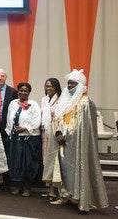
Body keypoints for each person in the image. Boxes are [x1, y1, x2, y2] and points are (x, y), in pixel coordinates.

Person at [42, 69, 108, 212]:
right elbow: (57, 118)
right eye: (68, 83)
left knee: (77, 170)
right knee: (63, 170)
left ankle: (80, 199)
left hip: (77, 143)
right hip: (61, 141)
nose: (70, 86)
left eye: (73, 84)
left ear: (80, 85)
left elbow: (84, 127)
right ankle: (64, 195)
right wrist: (58, 132)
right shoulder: (63, 101)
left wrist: (68, 135)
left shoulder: (86, 103)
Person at [6, 83, 42, 197]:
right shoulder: (13, 103)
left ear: (29, 92)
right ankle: (18, 186)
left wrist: (25, 128)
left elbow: (37, 121)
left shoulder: (33, 104)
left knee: (28, 163)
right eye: (21, 90)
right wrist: (10, 131)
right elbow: (8, 118)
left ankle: (27, 187)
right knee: (16, 162)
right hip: (15, 138)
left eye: (25, 91)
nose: (23, 93)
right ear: (18, 91)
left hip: (29, 138)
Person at [40, 78, 61, 164]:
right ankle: (46, 174)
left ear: (56, 87)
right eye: (46, 86)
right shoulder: (44, 99)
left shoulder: (61, 99)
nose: (48, 88)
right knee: (45, 153)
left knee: (54, 153)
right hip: (44, 131)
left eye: (50, 86)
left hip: (55, 130)